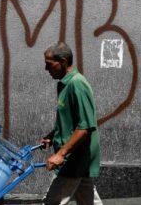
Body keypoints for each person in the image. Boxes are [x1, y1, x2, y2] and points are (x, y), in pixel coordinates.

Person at [40, 42, 102, 205]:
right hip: (78, 159)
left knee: (52, 202)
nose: (46, 69)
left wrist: (60, 154)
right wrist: (53, 135)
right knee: (88, 200)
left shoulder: (77, 84)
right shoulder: (65, 84)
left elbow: (86, 126)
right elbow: (71, 120)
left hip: (74, 159)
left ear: (63, 61)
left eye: (49, 64)